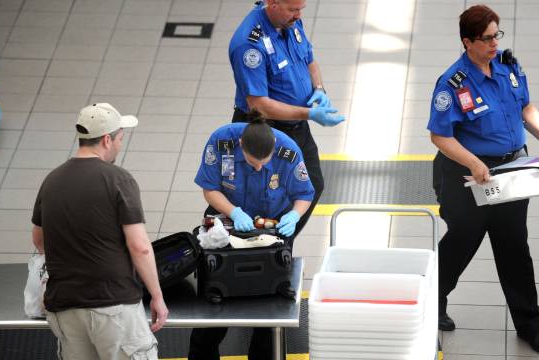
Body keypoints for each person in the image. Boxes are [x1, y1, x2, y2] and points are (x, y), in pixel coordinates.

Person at [428, 5, 539, 354]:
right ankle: (432, 303)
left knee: (515, 247)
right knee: (461, 243)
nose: (494, 43)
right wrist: (473, 162)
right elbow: (440, 136)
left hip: (510, 173)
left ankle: (530, 326)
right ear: (467, 42)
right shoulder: (452, 83)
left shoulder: (508, 66)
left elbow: (525, 107)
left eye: (496, 35)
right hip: (466, 175)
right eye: (487, 38)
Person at [31, 103, 169, 359]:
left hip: (65, 307)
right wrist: (157, 297)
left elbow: (39, 240)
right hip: (113, 306)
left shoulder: (52, 180)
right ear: (107, 140)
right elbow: (139, 246)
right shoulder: (118, 179)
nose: (119, 144)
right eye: (119, 138)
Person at [188, 110, 315, 360]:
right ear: (240, 145)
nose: (258, 167)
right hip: (226, 219)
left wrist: (294, 216)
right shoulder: (221, 142)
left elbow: (305, 194)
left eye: (263, 163)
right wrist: (235, 213)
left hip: (271, 226)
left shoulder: (288, 152)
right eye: (251, 162)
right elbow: (210, 188)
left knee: (269, 307)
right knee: (214, 299)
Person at [228, 0, 345, 239]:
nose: (298, 15)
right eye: (293, 9)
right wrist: (310, 114)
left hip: (295, 125)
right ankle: (267, 243)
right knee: (269, 193)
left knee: (312, 183)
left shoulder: (289, 21)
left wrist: (319, 89)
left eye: (301, 8)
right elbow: (258, 105)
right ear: (272, 3)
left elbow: (309, 61)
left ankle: (280, 240)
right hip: (265, 128)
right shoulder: (249, 45)